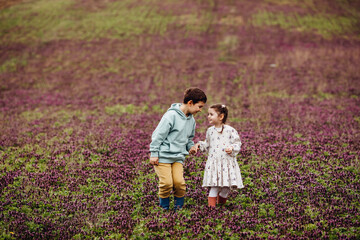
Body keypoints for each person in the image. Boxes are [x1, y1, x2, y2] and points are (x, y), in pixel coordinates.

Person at [149, 87, 207, 210]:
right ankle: (164, 208)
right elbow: (158, 135)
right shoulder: (171, 116)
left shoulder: (191, 121)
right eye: (199, 106)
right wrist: (154, 153)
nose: (200, 110)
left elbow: (189, 138)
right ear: (190, 103)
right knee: (166, 183)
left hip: (178, 157)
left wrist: (190, 147)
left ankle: (178, 208)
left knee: (179, 183)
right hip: (163, 156)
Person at [192, 104, 244, 207]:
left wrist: (232, 148)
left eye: (211, 114)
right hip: (214, 164)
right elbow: (207, 145)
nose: (208, 116)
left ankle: (221, 207)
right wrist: (199, 145)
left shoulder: (230, 130)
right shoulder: (210, 131)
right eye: (208, 114)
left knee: (226, 187)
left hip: (227, 163)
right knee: (214, 187)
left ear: (221, 117)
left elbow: (237, 143)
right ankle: (212, 210)